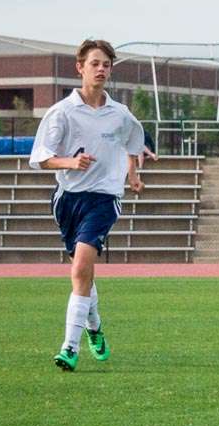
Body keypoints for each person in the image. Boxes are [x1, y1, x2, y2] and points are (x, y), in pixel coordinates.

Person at [29, 39, 144, 372]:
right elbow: (40, 159)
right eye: (95, 63)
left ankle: (69, 347)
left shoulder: (119, 114)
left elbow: (134, 141)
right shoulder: (61, 113)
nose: (101, 69)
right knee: (84, 275)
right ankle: (94, 327)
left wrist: (133, 175)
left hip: (104, 198)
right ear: (80, 67)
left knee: (80, 269)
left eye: (106, 64)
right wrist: (70, 162)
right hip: (68, 200)